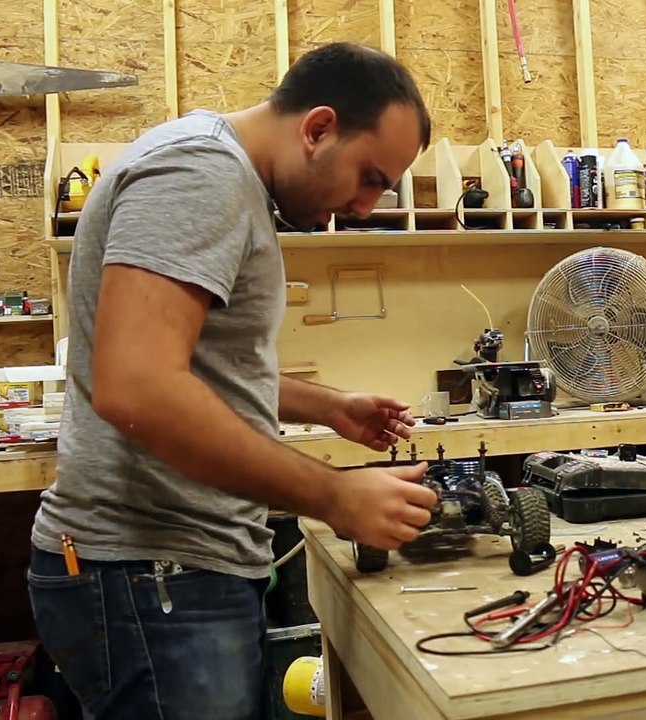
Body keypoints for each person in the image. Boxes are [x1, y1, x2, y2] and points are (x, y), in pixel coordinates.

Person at [26, 42, 439, 719]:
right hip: (154, 573)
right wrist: (335, 495)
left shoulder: (216, 171)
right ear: (318, 128)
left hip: (168, 572)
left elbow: (192, 368)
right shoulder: (200, 174)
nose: (366, 206)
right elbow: (138, 387)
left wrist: (328, 406)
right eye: (369, 177)